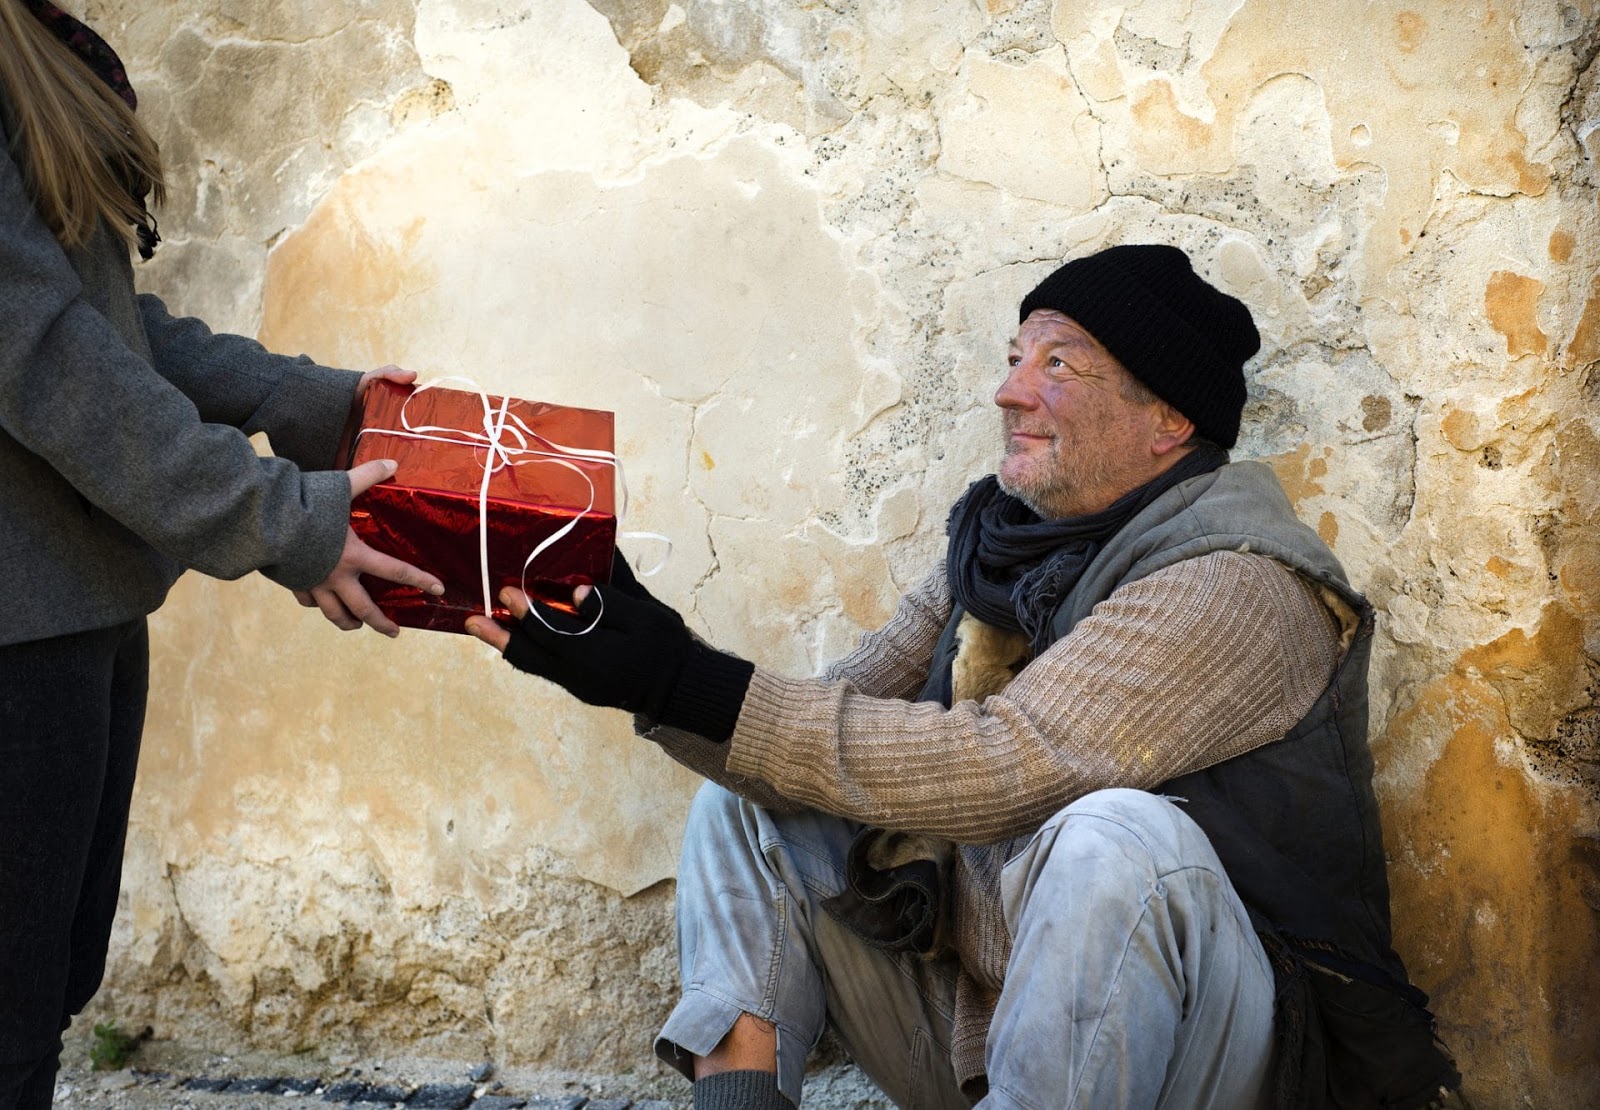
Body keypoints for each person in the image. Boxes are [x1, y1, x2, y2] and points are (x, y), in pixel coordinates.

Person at [467, 244, 1462, 1108]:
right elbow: (826, 720)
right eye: (1014, 357)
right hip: (987, 1032)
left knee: (1117, 837)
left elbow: (1010, 765)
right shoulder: (995, 548)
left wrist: (687, 679)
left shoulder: (1237, 584)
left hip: (1222, 1066)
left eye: (1056, 364)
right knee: (748, 799)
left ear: (1165, 418)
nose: (1008, 390)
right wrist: (636, 665)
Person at [0, 4, 445, 1106]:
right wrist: (286, 521)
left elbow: (94, 323)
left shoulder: (32, 42)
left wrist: (300, 399)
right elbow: (52, 366)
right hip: (16, 639)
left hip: (78, 611)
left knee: (39, 996)